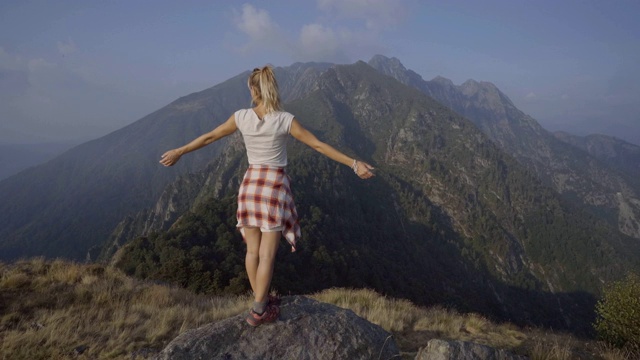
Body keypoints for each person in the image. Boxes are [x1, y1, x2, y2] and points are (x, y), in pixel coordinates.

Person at [160, 65, 375, 326]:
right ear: (272, 88)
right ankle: (260, 310)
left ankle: (260, 301)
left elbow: (209, 137)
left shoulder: (241, 117)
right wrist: (354, 164)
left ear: (253, 89)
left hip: (250, 185)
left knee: (252, 251)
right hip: (273, 187)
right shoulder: (285, 120)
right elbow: (318, 145)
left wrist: (180, 151)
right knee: (267, 254)